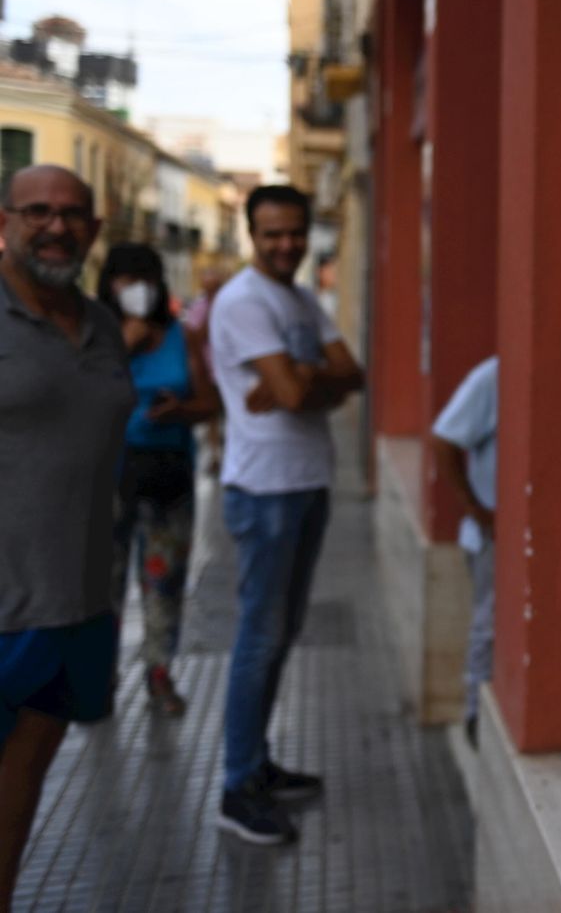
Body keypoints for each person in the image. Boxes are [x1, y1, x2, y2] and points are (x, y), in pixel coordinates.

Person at [209, 184, 364, 845]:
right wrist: (303, 382)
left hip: (306, 481)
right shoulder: (244, 301)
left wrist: (299, 380)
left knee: (280, 633)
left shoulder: (298, 299)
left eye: (295, 232)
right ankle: (236, 786)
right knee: (260, 636)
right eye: (272, 233)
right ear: (252, 234)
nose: (286, 244)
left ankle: (257, 763)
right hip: (264, 489)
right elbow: (301, 393)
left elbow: (353, 375)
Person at [0, 166, 135, 910]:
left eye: (73, 214)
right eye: (37, 212)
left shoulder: (103, 325)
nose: (56, 227)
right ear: (5, 221)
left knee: (19, 795)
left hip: (75, 601)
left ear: (94, 229)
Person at [97, 244, 221, 716]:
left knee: (164, 582)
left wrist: (181, 410)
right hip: (106, 477)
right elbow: (74, 402)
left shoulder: (180, 336)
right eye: (126, 280)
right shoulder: (94, 337)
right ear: (110, 285)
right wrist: (121, 347)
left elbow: (211, 403)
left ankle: (159, 674)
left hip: (168, 475)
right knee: (101, 584)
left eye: (145, 279)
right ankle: (99, 679)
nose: (137, 289)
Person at [430, 356, 499, 747]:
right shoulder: (492, 376)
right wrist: (477, 509)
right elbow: (444, 440)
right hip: (490, 536)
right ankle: (475, 715)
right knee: (488, 626)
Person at [183, 265, 227, 475]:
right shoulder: (198, 308)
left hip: (227, 368)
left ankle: (223, 453)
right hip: (208, 370)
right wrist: (211, 311)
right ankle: (215, 456)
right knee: (212, 416)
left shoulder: (229, 305)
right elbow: (197, 337)